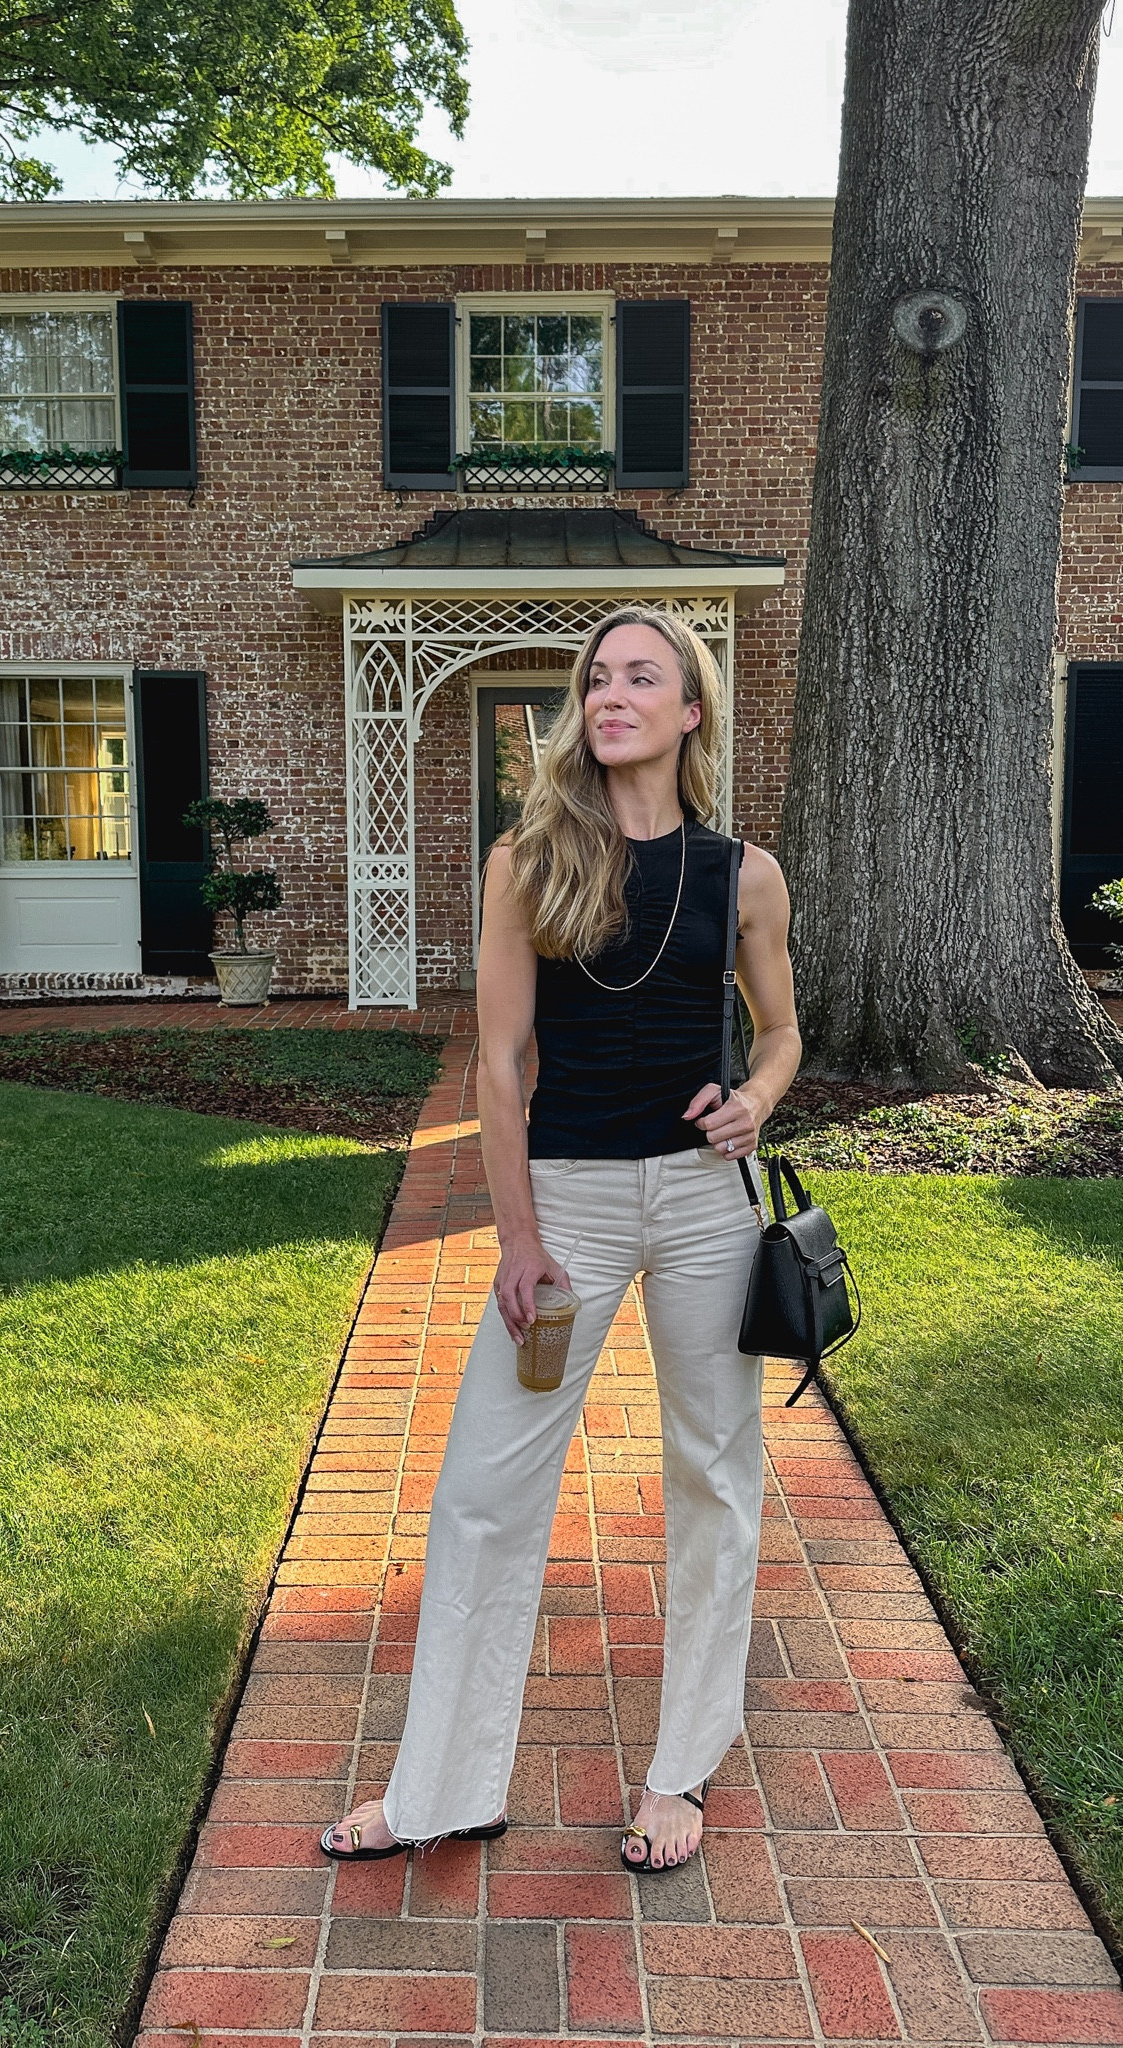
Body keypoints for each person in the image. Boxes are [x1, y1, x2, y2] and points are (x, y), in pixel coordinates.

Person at [320, 604, 802, 1873]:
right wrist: (517, 1237)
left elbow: (779, 1030)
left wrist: (756, 1098)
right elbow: (495, 1064)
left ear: (689, 710)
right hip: (569, 1201)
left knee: (713, 1476)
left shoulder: (744, 873)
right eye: (597, 677)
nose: (610, 694)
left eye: (641, 676)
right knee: (484, 1489)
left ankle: (680, 1771)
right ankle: (442, 1786)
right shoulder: (527, 860)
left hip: (702, 1201)